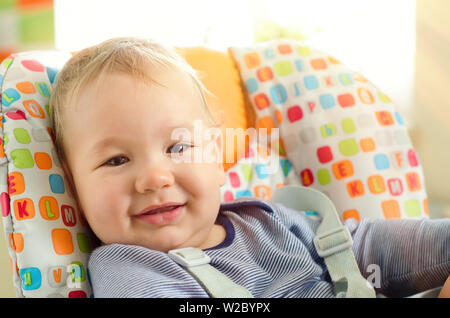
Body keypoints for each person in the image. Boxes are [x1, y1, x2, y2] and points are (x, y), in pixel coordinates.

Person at [49, 37, 450, 298]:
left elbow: (362, 250)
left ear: (217, 156)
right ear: (73, 187)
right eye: (116, 159)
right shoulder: (130, 273)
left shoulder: (268, 221)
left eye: (178, 146)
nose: (155, 177)